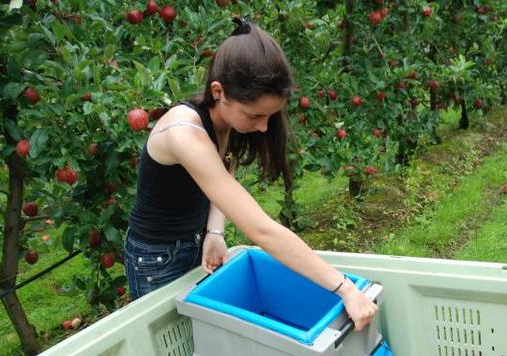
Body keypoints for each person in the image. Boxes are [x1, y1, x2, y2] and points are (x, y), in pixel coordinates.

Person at [124, 18, 377, 331]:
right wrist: (345, 288)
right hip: (157, 257)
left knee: (203, 336)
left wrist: (214, 232)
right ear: (219, 91)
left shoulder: (223, 118)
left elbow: (224, 167)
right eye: (255, 115)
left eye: (270, 115)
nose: (263, 127)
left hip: (195, 237)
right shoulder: (183, 133)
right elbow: (262, 230)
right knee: (173, 341)